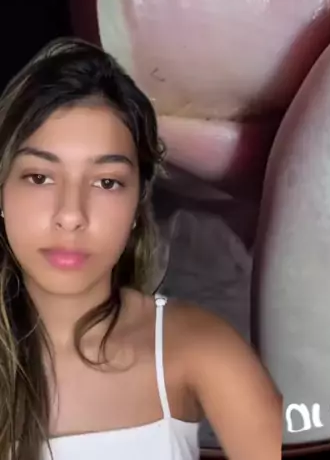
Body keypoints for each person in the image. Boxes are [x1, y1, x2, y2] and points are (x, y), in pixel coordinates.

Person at [0, 37, 282, 460]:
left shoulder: (197, 347)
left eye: (106, 182)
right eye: (40, 177)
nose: (71, 215)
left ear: (137, 203)